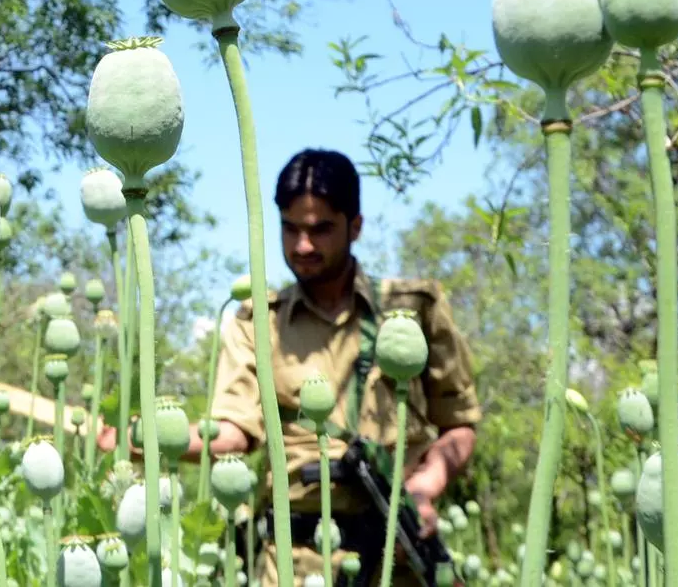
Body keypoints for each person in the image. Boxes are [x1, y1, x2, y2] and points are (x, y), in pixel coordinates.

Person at [99, 149, 482, 586]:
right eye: (291, 228)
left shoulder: (412, 311)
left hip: (400, 557)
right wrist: (144, 437)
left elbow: (460, 426)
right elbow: (233, 432)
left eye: (320, 230)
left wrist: (423, 489)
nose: (303, 245)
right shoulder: (258, 321)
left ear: (355, 226)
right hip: (296, 563)